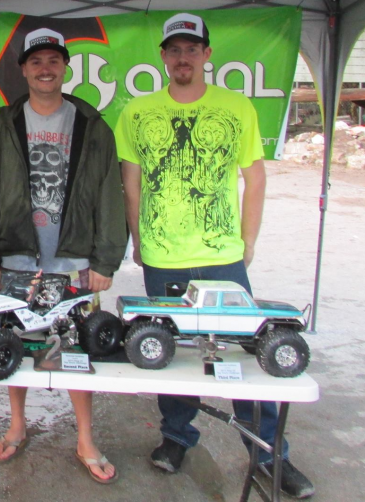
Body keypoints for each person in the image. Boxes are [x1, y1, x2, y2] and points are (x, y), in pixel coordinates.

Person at [115, 13, 315, 499]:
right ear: (162, 56)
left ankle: (270, 454)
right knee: (167, 351)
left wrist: (248, 242)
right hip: (164, 256)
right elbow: (131, 183)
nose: (182, 57)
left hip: (224, 256)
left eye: (191, 48)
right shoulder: (136, 112)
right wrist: (139, 242)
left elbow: (256, 178)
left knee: (251, 356)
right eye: (174, 49)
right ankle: (176, 438)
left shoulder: (237, 108)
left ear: (207, 54)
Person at [0, 28, 126, 484]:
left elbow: (110, 192)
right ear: (23, 69)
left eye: (54, 61)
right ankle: (18, 425)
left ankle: (85, 437)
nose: (46, 69)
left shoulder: (92, 125)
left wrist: (104, 260)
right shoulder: (1, 127)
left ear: (65, 68)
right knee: (15, 345)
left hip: (73, 262)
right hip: (18, 258)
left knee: (77, 348)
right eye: (36, 61)